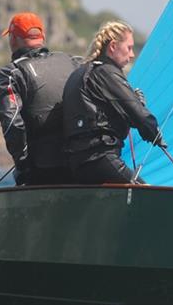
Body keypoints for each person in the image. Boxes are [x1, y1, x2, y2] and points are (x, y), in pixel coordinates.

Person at [62, 21, 166, 184]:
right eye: (129, 48)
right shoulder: (106, 72)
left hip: (76, 163)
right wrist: (155, 134)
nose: (131, 55)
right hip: (101, 158)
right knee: (148, 195)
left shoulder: (78, 73)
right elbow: (138, 113)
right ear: (113, 46)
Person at [0, 12, 80, 185]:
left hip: (43, 169)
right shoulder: (73, 61)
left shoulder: (9, 74)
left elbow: (12, 124)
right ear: (43, 37)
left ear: (13, 39)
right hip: (82, 161)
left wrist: (23, 166)